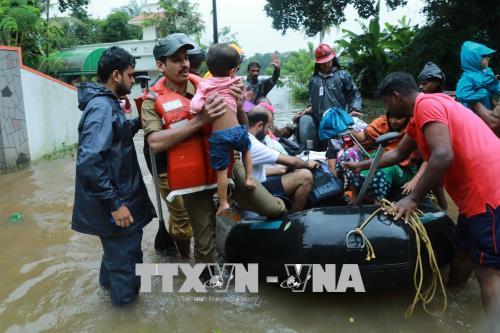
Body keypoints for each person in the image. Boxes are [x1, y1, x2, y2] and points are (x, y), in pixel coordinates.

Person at [345, 72, 500, 309]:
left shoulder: (427, 105)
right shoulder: (423, 112)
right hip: (473, 197)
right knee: (462, 248)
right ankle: (454, 299)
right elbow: (398, 154)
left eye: (386, 101)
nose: (386, 107)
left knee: (488, 271)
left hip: (489, 193)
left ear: (396, 96)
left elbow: (442, 154)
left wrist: (413, 198)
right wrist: (360, 165)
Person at [72, 47, 156, 306]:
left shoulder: (107, 103)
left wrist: (137, 122)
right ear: (116, 75)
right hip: (119, 207)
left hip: (117, 203)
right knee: (127, 268)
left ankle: (108, 299)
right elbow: (88, 161)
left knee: (116, 260)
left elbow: (115, 139)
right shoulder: (102, 107)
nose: (133, 80)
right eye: (131, 75)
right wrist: (115, 204)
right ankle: (126, 316)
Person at [140, 33, 198, 259]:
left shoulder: (200, 88)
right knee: (183, 216)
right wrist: (199, 122)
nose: (184, 64)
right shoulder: (151, 100)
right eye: (176, 59)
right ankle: (185, 260)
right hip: (167, 166)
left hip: (198, 160)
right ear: (160, 66)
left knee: (198, 214)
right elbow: (154, 142)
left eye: (185, 58)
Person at [190, 43, 255, 216]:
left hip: (219, 136)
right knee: (246, 148)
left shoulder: (206, 84)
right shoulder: (237, 81)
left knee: (222, 171)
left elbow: (195, 106)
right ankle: (249, 179)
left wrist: (243, 102)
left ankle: (223, 202)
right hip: (236, 131)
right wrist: (245, 103)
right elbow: (250, 109)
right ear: (234, 68)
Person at [247, 106, 319, 212]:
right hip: (257, 190)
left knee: (296, 169)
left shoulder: (243, 137)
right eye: (268, 127)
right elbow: (293, 162)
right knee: (305, 176)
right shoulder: (253, 144)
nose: (268, 132)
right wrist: (307, 163)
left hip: (254, 184)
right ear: (259, 125)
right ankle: (294, 215)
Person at [295, 43, 362, 150]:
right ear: (318, 64)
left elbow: (354, 93)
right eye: (323, 63)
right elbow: (312, 99)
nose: (326, 65)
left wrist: (355, 109)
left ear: (333, 59)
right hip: (319, 120)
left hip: (338, 121)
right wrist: (309, 108)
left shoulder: (342, 75)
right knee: (321, 145)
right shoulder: (314, 80)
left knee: (337, 148)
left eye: (328, 61)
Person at [456, 41, 500, 110]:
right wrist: (481, 93)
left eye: (488, 56)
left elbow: (493, 85)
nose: (488, 59)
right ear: (474, 59)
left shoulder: (488, 71)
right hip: (473, 114)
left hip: (488, 110)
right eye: (484, 56)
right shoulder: (467, 77)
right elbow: (461, 95)